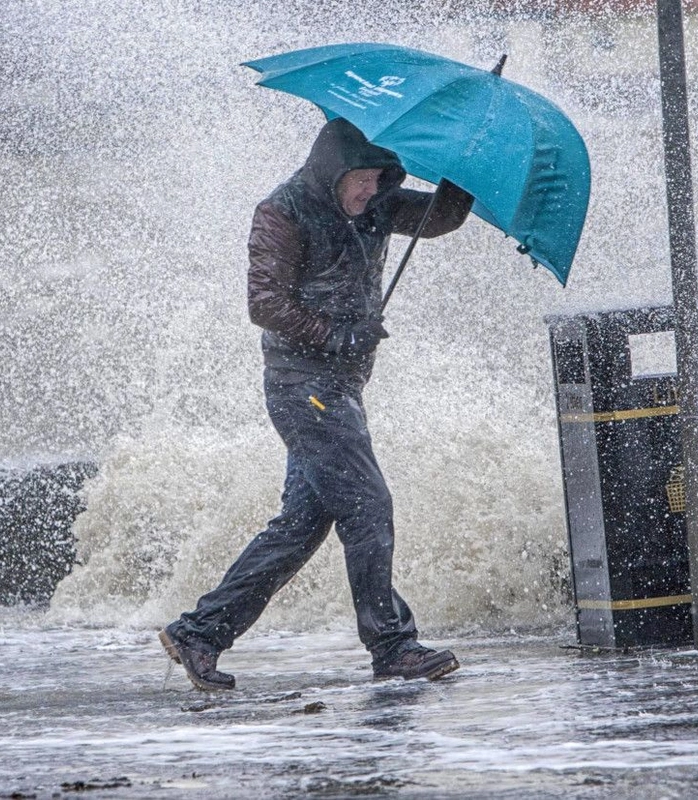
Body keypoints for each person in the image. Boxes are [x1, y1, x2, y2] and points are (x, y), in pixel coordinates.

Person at [159, 118, 474, 691]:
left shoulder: (376, 202)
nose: (369, 191)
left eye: (381, 179)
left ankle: (200, 632)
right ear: (334, 171)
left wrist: (463, 172)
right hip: (302, 386)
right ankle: (393, 645)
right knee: (368, 503)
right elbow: (264, 303)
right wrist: (335, 334)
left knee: (302, 523)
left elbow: (440, 219)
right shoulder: (282, 211)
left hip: (342, 389)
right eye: (361, 180)